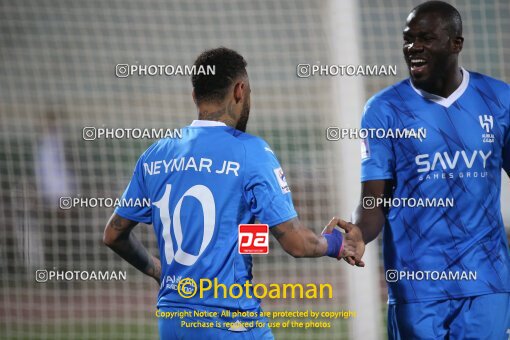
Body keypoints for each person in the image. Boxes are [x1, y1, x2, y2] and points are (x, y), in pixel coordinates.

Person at [103, 47, 364, 340]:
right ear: (240, 90)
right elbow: (296, 243)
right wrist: (337, 244)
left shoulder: (155, 154)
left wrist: (157, 271)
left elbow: (113, 235)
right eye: (249, 92)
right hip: (229, 320)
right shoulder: (250, 151)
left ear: (194, 96)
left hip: (173, 319)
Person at [352, 1, 510, 339]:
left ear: (456, 43)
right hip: (416, 285)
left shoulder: (498, 99)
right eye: (408, 39)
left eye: (426, 38)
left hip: (486, 280)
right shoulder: (383, 110)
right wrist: (357, 234)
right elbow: (373, 202)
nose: (413, 47)